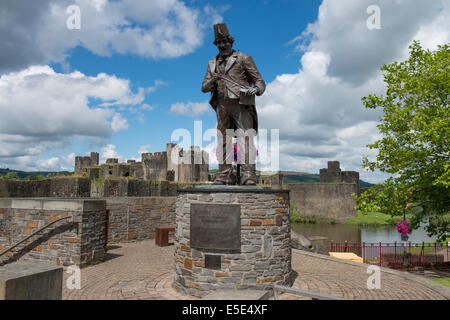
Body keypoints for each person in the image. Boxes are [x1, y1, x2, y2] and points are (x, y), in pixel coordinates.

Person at [201, 23, 265, 185]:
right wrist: (214, 79)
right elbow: (204, 88)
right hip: (222, 106)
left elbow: (259, 81)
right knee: (223, 139)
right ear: (216, 45)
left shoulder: (244, 58)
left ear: (231, 42)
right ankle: (224, 175)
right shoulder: (212, 63)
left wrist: (256, 89)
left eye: (225, 42)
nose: (223, 45)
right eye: (219, 43)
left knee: (245, 138)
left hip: (241, 104)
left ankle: (248, 174)